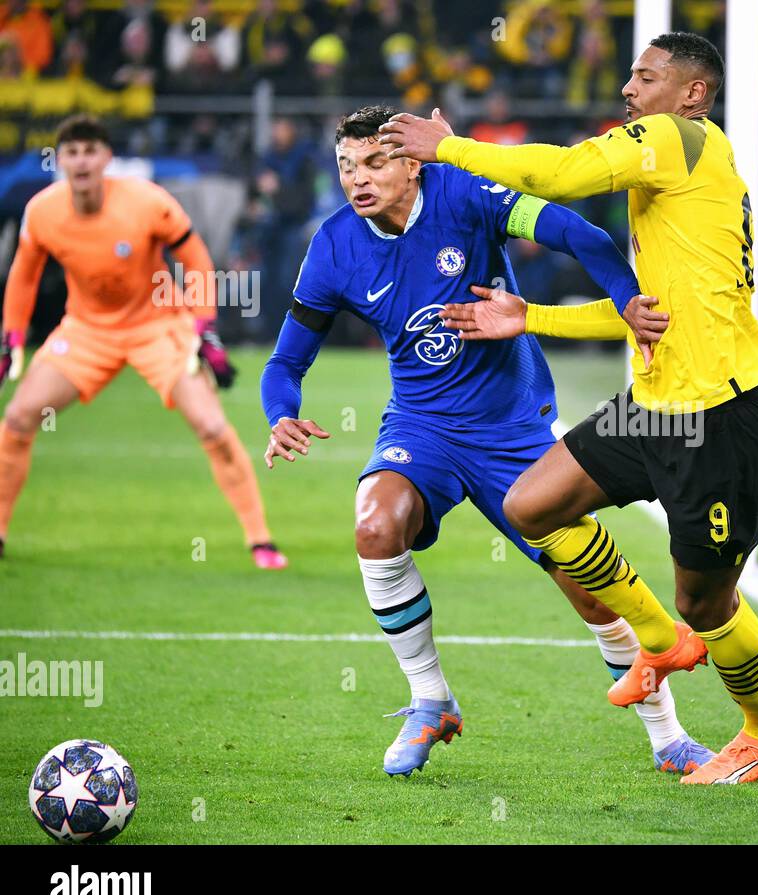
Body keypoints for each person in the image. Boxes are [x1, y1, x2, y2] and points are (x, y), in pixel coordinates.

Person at [379, 32, 758, 784]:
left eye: (646, 78)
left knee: (707, 602)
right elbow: (644, 315)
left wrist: (452, 147)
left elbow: (566, 173)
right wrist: (531, 316)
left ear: (693, 93)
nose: (628, 92)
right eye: (629, 79)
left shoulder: (679, 138)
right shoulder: (678, 183)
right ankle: (654, 636)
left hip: (724, 416)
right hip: (655, 404)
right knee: (532, 504)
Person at [260, 105, 713, 778]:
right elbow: (285, 362)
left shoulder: (466, 193)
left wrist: (623, 299)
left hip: (514, 430)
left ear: (414, 162)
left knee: (593, 592)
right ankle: (429, 699)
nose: (359, 179)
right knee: (376, 524)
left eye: (377, 162)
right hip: (423, 427)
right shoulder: (333, 246)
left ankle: (669, 736)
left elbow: (577, 232)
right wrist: (281, 412)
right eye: (347, 166)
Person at [0, 114, 286, 569]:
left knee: (212, 426)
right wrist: (11, 337)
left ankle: (260, 539)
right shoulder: (43, 211)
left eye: (90, 151)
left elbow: (194, 259)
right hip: (86, 330)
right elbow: (24, 274)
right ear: (60, 160)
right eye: (71, 152)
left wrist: (204, 329)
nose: (81, 161)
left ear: (106, 158)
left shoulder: (146, 201)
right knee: (17, 418)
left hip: (158, 327)